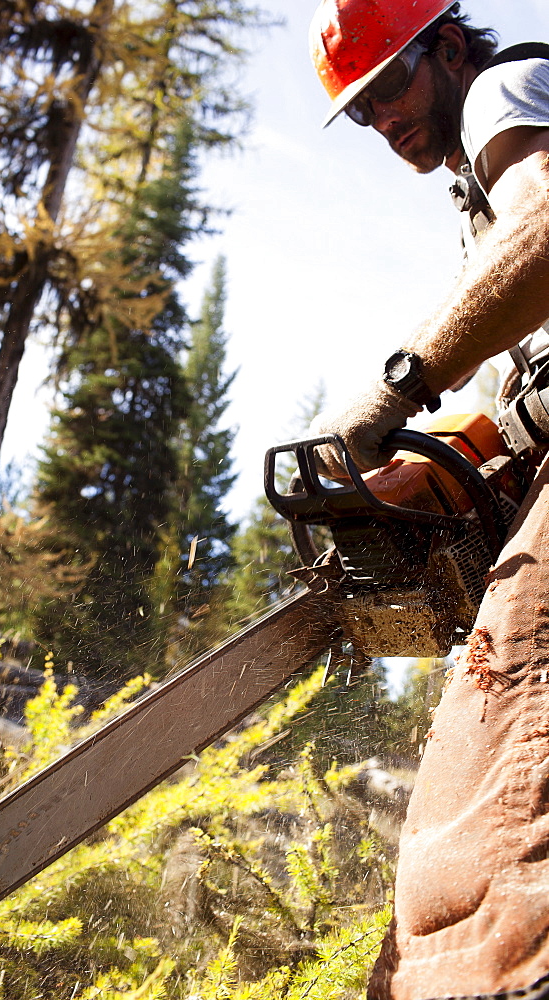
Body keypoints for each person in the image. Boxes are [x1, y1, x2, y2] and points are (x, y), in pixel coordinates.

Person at [307, 2, 549, 998]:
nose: (382, 123)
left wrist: (396, 390)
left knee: (507, 755)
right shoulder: (476, 201)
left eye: (388, 90)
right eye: (358, 114)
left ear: (446, 47)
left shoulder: (505, 91)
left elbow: (545, 230)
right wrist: (455, 465)